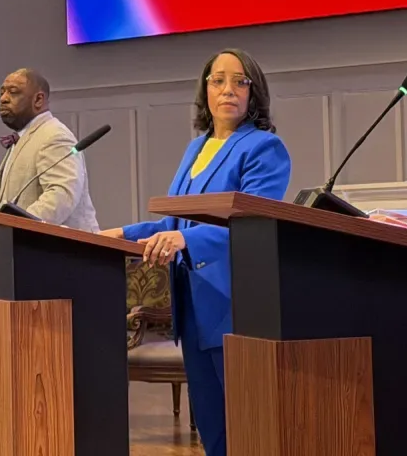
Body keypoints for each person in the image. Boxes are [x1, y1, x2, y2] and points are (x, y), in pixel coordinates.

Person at [101, 49, 291, 456]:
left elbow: (251, 221)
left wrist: (188, 241)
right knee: (211, 425)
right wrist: (120, 234)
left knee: (246, 423)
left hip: (233, 304)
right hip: (191, 304)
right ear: (205, 89)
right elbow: (175, 224)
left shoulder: (263, 148)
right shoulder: (196, 149)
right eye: (217, 80)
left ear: (254, 92)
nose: (228, 90)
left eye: (240, 81)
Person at [0, 68, 100, 251]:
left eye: (13, 92)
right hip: (27, 256)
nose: (3, 99)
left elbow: (61, 195)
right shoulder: (26, 137)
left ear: (38, 100)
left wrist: (8, 227)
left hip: (63, 258)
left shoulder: (54, 135)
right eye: (2, 92)